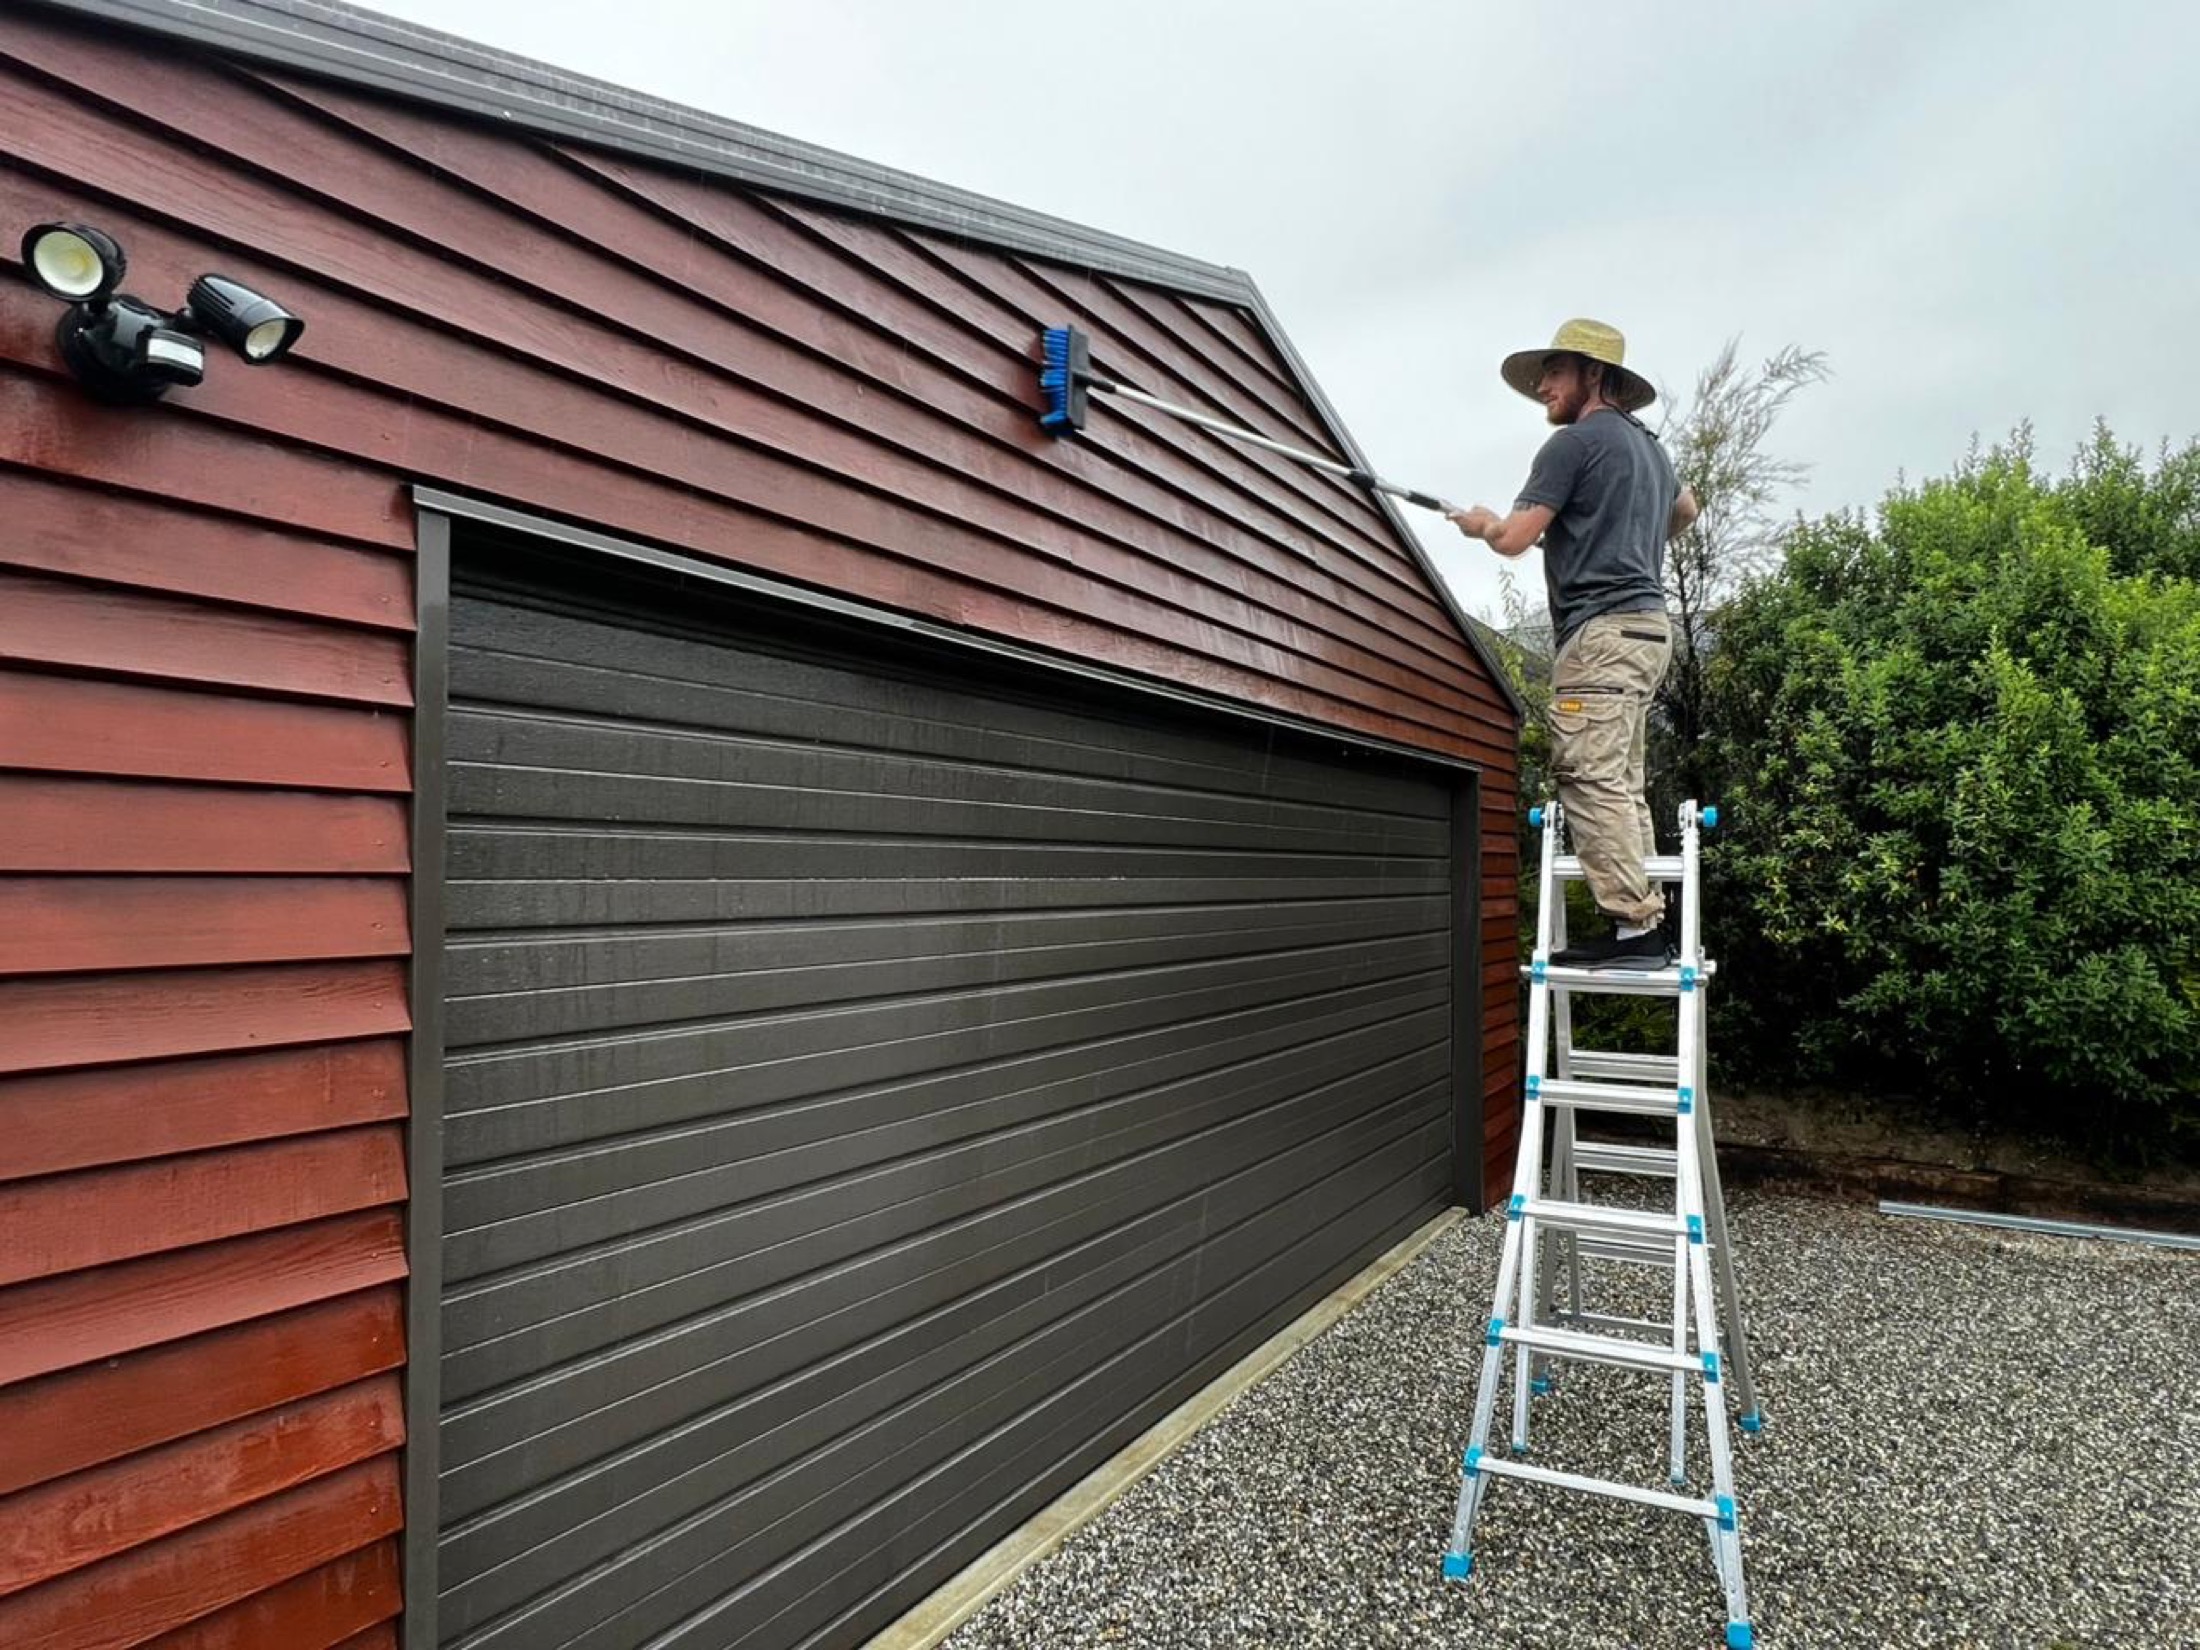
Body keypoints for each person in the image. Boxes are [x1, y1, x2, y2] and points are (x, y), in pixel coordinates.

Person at [1449, 318, 1700, 965]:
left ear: (1595, 375)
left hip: (1601, 634)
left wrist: (1482, 524)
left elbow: (1511, 539)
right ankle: (1648, 922)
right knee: (1621, 780)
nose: (1542, 386)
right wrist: (1625, 528)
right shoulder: (1650, 448)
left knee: (1587, 775)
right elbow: (1687, 510)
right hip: (1649, 632)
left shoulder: (1573, 445)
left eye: (1554, 372)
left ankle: (1637, 926)